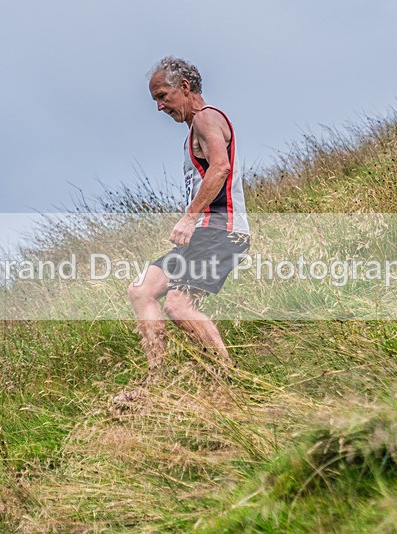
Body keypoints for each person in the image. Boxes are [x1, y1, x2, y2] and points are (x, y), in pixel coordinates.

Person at [114, 57, 250, 404]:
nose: (159, 107)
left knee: (178, 305)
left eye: (163, 96)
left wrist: (189, 217)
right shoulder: (196, 128)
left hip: (221, 230)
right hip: (204, 232)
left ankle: (229, 383)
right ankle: (157, 381)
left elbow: (220, 168)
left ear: (185, 88)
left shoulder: (206, 118)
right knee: (142, 290)